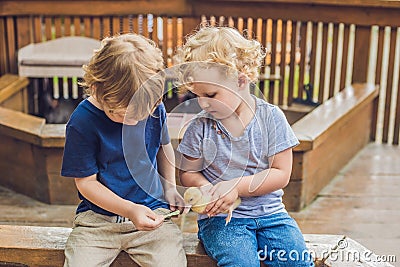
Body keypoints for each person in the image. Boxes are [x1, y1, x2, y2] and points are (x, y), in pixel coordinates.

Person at [176, 26, 314, 266]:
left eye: (210, 94)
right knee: (240, 262)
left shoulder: (271, 118)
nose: (202, 103)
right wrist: (208, 189)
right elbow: (188, 172)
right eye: (196, 95)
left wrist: (236, 187)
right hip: (221, 221)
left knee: (297, 261)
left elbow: (281, 173)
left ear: (241, 80)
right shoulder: (199, 127)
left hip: (272, 216)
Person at [61, 33, 187, 267]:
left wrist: (169, 188)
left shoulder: (153, 108)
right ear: (97, 89)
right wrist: (129, 210)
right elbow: (86, 183)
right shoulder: (82, 122)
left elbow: (164, 147)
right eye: (122, 114)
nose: (134, 122)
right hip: (98, 222)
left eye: (142, 114)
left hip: (152, 215)